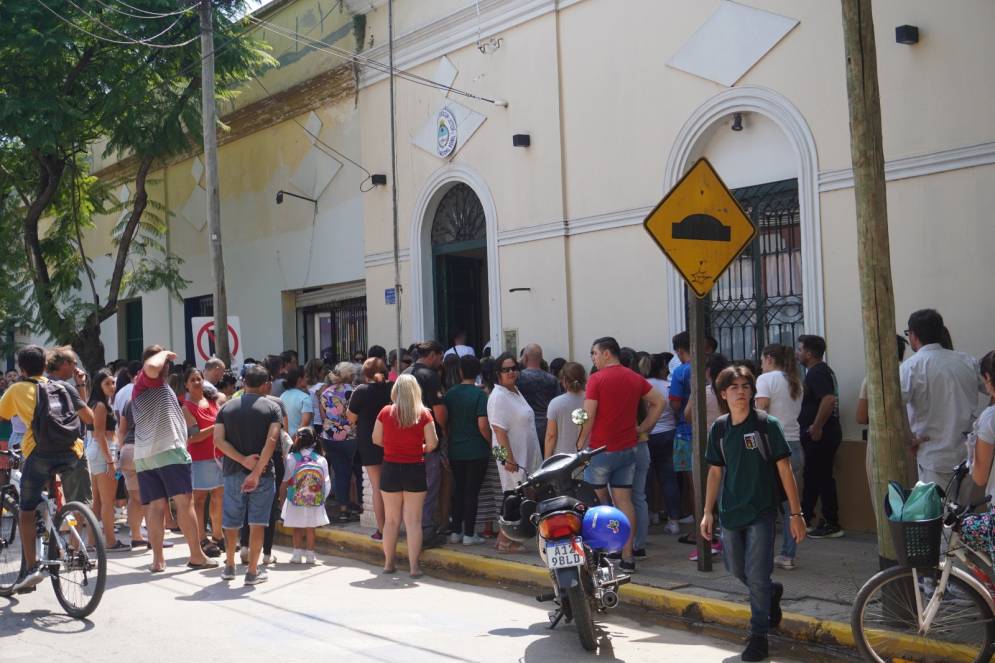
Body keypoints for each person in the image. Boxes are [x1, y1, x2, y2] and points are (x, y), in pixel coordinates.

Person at [701, 365, 806, 663]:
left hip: (762, 510)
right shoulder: (720, 428)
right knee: (736, 568)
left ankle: (759, 636)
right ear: (723, 394)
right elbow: (715, 472)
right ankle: (771, 592)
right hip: (730, 512)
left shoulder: (766, 425)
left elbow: (785, 469)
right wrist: (707, 512)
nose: (741, 392)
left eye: (745, 386)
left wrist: (796, 514)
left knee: (757, 575)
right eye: (733, 387)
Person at [1, 345, 94, 592]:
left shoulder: (16, 389)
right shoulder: (63, 387)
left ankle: (32, 568)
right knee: (76, 501)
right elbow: (89, 418)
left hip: (40, 452)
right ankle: (75, 546)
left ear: (21, 369)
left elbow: (3, 415)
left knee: (26, 509)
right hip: (72, 451)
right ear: (45, 366)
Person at [577, 337, 666, 572]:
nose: (593, 358)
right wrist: (643, 428)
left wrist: (579, 444)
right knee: (625, 502)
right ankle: (628, 556)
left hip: (601, 449)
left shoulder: (596, 379)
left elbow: (588, 416)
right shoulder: (634, 377)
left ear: (607, 353)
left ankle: (603, 552)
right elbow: (659, 402)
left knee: (597, 504)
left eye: (594, 353)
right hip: (628, 448)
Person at [132, 346, 217, 573]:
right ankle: (196, 555)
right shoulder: (147, 378)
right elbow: (151, 366)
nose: (168, 366)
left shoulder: (150, 383)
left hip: (146, 455)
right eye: (166, 362)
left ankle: (158, 560)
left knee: (156, 506)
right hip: (168, 451)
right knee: (184, 503)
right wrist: (163, 355)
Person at [901, 309, 985, 489]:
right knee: (963, 506)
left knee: (933, 506)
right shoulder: (967, 361)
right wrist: (986, 424)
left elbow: (894, 408)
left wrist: (908, 439)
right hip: (967, 453)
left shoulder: (910, 368)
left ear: (913, 335)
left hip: (931, 455)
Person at [213, 364, 281, 585]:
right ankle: (252, 571)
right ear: (266, 385)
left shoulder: (226, 408)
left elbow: (218, 440)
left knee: (231, 520)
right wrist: (257, 470)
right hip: (263, 474)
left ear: (244, 382)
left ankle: (229, 566)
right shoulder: (272, 408)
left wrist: (242, 460)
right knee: (257, 522)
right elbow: (272, 441)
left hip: (232, 472)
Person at [372, 374, 439, 577]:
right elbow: (433, 443)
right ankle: (414, 567)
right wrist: (419, 449)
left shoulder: (385, 412)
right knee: (413, 521)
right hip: (414, 468)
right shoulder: (423, 414)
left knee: (391, 521)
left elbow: (376, 438)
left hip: (391, 468)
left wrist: (393, 447)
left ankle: (388, 564)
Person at [488, 352, 544, 553]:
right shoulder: (499, 397)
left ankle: (503, 538)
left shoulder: (515, 392)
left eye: (514, 368)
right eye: (506, 369)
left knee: (517, 494)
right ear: (498, 373)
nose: (511, 372)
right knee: (513, 496)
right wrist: (508, 459)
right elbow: (498, 430)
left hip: (523, 453)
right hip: (511, 455)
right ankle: (505, 541)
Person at [755, 344, 804, 569]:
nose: (760, 364)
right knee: (790, 505)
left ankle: (761, 554)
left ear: (769, 358)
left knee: (764, 505)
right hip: (795, 445)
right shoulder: (795, 381)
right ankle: (788, 555)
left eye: (762, 359)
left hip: (772, 447)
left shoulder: (765, 379)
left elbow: (761, 411)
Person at [796, 334, 843, 539]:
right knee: (814, 476)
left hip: (822, 435)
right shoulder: (821, 371)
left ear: (808, 353)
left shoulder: (817, 373)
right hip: (823, 434)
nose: (797, 353)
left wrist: (816, 426)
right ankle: (806, 518)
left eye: (800, 349)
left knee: (822, 478)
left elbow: (829, 399)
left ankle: (832, 522)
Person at [403, 341, 448, 548]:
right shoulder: (430, 376)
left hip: (405, 440)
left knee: (411, 488)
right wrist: (445, 430)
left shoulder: (404, 375)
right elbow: (439, 412)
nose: (441, 361)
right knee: (429, 486)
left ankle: (413, 529)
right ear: (432, 355)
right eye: (440, 356)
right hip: (426, 440)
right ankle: (426, 531)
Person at [443, 355, 491, 545]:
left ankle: (456, 531)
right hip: (477, 450)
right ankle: (470, 533)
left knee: (459, 490)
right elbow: (483, 425)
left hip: (456, 449)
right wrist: (491, 443)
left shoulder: (450, 394)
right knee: (472, 492)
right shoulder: (480, 395)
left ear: (460, 371)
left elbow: (446, 423)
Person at [347, 357, 392, 541]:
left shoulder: (361, 391)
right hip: (392, 440)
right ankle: (394, 525)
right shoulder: (392, 388)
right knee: (393, 487)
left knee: (377, 487)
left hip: (369, 441)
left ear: (365, 374)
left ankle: (382, 530)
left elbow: (351, 417)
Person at [181, 367, 224, 558]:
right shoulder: (186, 408)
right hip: (200, 458)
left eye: (199, 378)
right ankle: (201, 538)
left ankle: (218, 535)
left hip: (219, 455)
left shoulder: (212, 400)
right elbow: (194, 437)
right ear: (186, 385)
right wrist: (216, 427)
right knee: (199, 499)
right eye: (192, 380)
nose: (197, 382)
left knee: (218, 496)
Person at [86, 368, 127, 551]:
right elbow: (100, 434)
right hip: (104, 452)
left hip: (99, 452)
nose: (112, 386)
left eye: (113, 382)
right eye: (107, 383)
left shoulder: (98, 403)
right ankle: (110, 541)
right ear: (98, 385)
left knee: (97, 501)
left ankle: (92, 542)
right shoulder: (101, 406)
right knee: (107, 501)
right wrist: (111, 461)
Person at [282, 427, 331, 564]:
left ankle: (296, 555)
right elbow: (326, 482)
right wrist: (321, 498)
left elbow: (286, 480)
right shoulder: (321, 459)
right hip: (314, 499)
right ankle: (311, 556)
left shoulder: (291, 458)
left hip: (295, 499)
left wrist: (283, 499)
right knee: (311, 527)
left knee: (296, 527)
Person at [646, 353, 681, 535]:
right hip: (668, 433)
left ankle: (650, 514)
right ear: (662, 368)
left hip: (647, 434)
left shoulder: (644, 385)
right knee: (668, 478)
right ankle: (673, 520)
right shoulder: (668, 385)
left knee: (646, 478)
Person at [318, 362, 358, 521]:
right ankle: (360, 505)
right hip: (351, 436)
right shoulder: (354, 391)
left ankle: (343, 509)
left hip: (330, 437)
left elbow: (323, 416)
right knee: (357, 472)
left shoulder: (325, 393)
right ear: (350, 375)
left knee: (341, 473)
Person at [117, 398, 150, 549]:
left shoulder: (129, 401)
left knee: (135, 499)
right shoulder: (155, 397)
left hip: (128, 450)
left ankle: (136, 536)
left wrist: (121, 450)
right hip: (145, 450)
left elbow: (121, 430)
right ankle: (154, 539)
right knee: (152, 499)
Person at [516, 344, 559, 449]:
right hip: (547, 426)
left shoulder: (519, 378)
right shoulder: (552, 379)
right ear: (541, 358)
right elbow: (557, 403)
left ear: (525, 357)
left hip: (526, 426)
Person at [544, 362, 587, 457]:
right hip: (587, 456)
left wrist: (547, 460)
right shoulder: (591, 401)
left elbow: (551, 435)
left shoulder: (555, 403)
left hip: (562, 458)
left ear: (564, 380)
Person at [280, 367, 314, 436]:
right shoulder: (305, 398)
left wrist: (288, 440)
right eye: (306, 377)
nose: (307, 379)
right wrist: (295, 440)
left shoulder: (282, 396)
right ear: (299, 380)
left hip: (286, 439)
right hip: (301, 440)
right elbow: (305, 424)